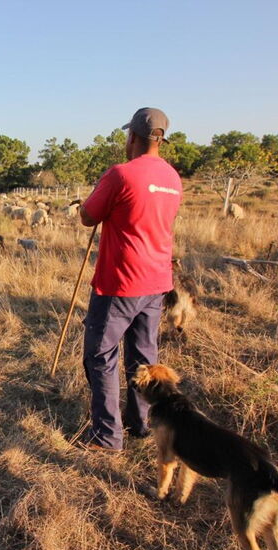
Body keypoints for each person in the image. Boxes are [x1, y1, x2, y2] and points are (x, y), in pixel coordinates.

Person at [77, 107, 182, 452]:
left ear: (132, 137)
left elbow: (88, 216)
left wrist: (96, 195)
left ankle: (107, 436)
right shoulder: (172, 178)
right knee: (143, 358)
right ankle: (140, 424)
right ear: (160, 139)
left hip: (120, 282)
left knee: (100, 354)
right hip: (157, 281)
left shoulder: (120, 174)